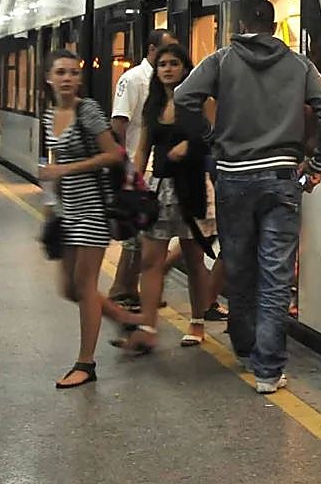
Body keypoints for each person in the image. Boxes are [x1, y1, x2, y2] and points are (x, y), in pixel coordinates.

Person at [175, 0, 321, 394]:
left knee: (239, 265)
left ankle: (246, 346)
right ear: (274, 26)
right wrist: (318, 163)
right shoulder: (299, 65)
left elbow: (183, 97)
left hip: (233, 177)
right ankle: (268, 370)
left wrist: (210, 137)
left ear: (242, 23)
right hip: (283, 178)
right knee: (276, 275)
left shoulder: (222, 60)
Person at [40, 48, 136, 388]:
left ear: (79, 78)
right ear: (49, 79)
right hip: (67, 211)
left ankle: (86, 363)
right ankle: (125, 320)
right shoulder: (50, 115)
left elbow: (113, 154)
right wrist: (52, 205)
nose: (67, 78)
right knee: (70, 289)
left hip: (94, 209)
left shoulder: (89, 111)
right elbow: (52, 165)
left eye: (72, 72)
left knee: (86, 285)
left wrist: (66, 168)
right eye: (60, 73)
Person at [118, 43, 216, 354]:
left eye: (174, 63)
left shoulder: (202, 103)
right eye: (162, 65)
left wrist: (190, 147)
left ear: (186, 68)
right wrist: (134, 181)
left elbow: (215, 137)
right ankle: (148, 323)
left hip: (193, 187)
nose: (168, 69)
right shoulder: (153, 104)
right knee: (150, 259)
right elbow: (143, 147)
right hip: (159, 187)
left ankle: (198, 322)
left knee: (193, 259)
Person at [108, 29, 176, 307]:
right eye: (167, 52)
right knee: (138, 236)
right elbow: (119, 122)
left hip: (153, 168)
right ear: (152, 50)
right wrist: (126, 166)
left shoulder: (160, 82)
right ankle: (122, 290)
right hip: (142, 167)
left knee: (142, 236)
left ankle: (131, 289)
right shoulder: (133, 78)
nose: (171, 60)